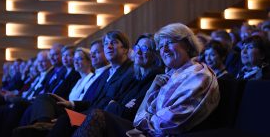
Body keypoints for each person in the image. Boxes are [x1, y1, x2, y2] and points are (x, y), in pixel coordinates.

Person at [73, 23, 220, 137]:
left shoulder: (199, 74)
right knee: (73, 118)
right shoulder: (170, 76)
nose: (164, 49)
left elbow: (169, 122)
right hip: (144, 130)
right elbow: (140, 114)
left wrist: (143, 120)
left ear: (187, 44)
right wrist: (147, 104)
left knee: (97, 117)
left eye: (169, 43)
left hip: (154, 134)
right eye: (161, 46)